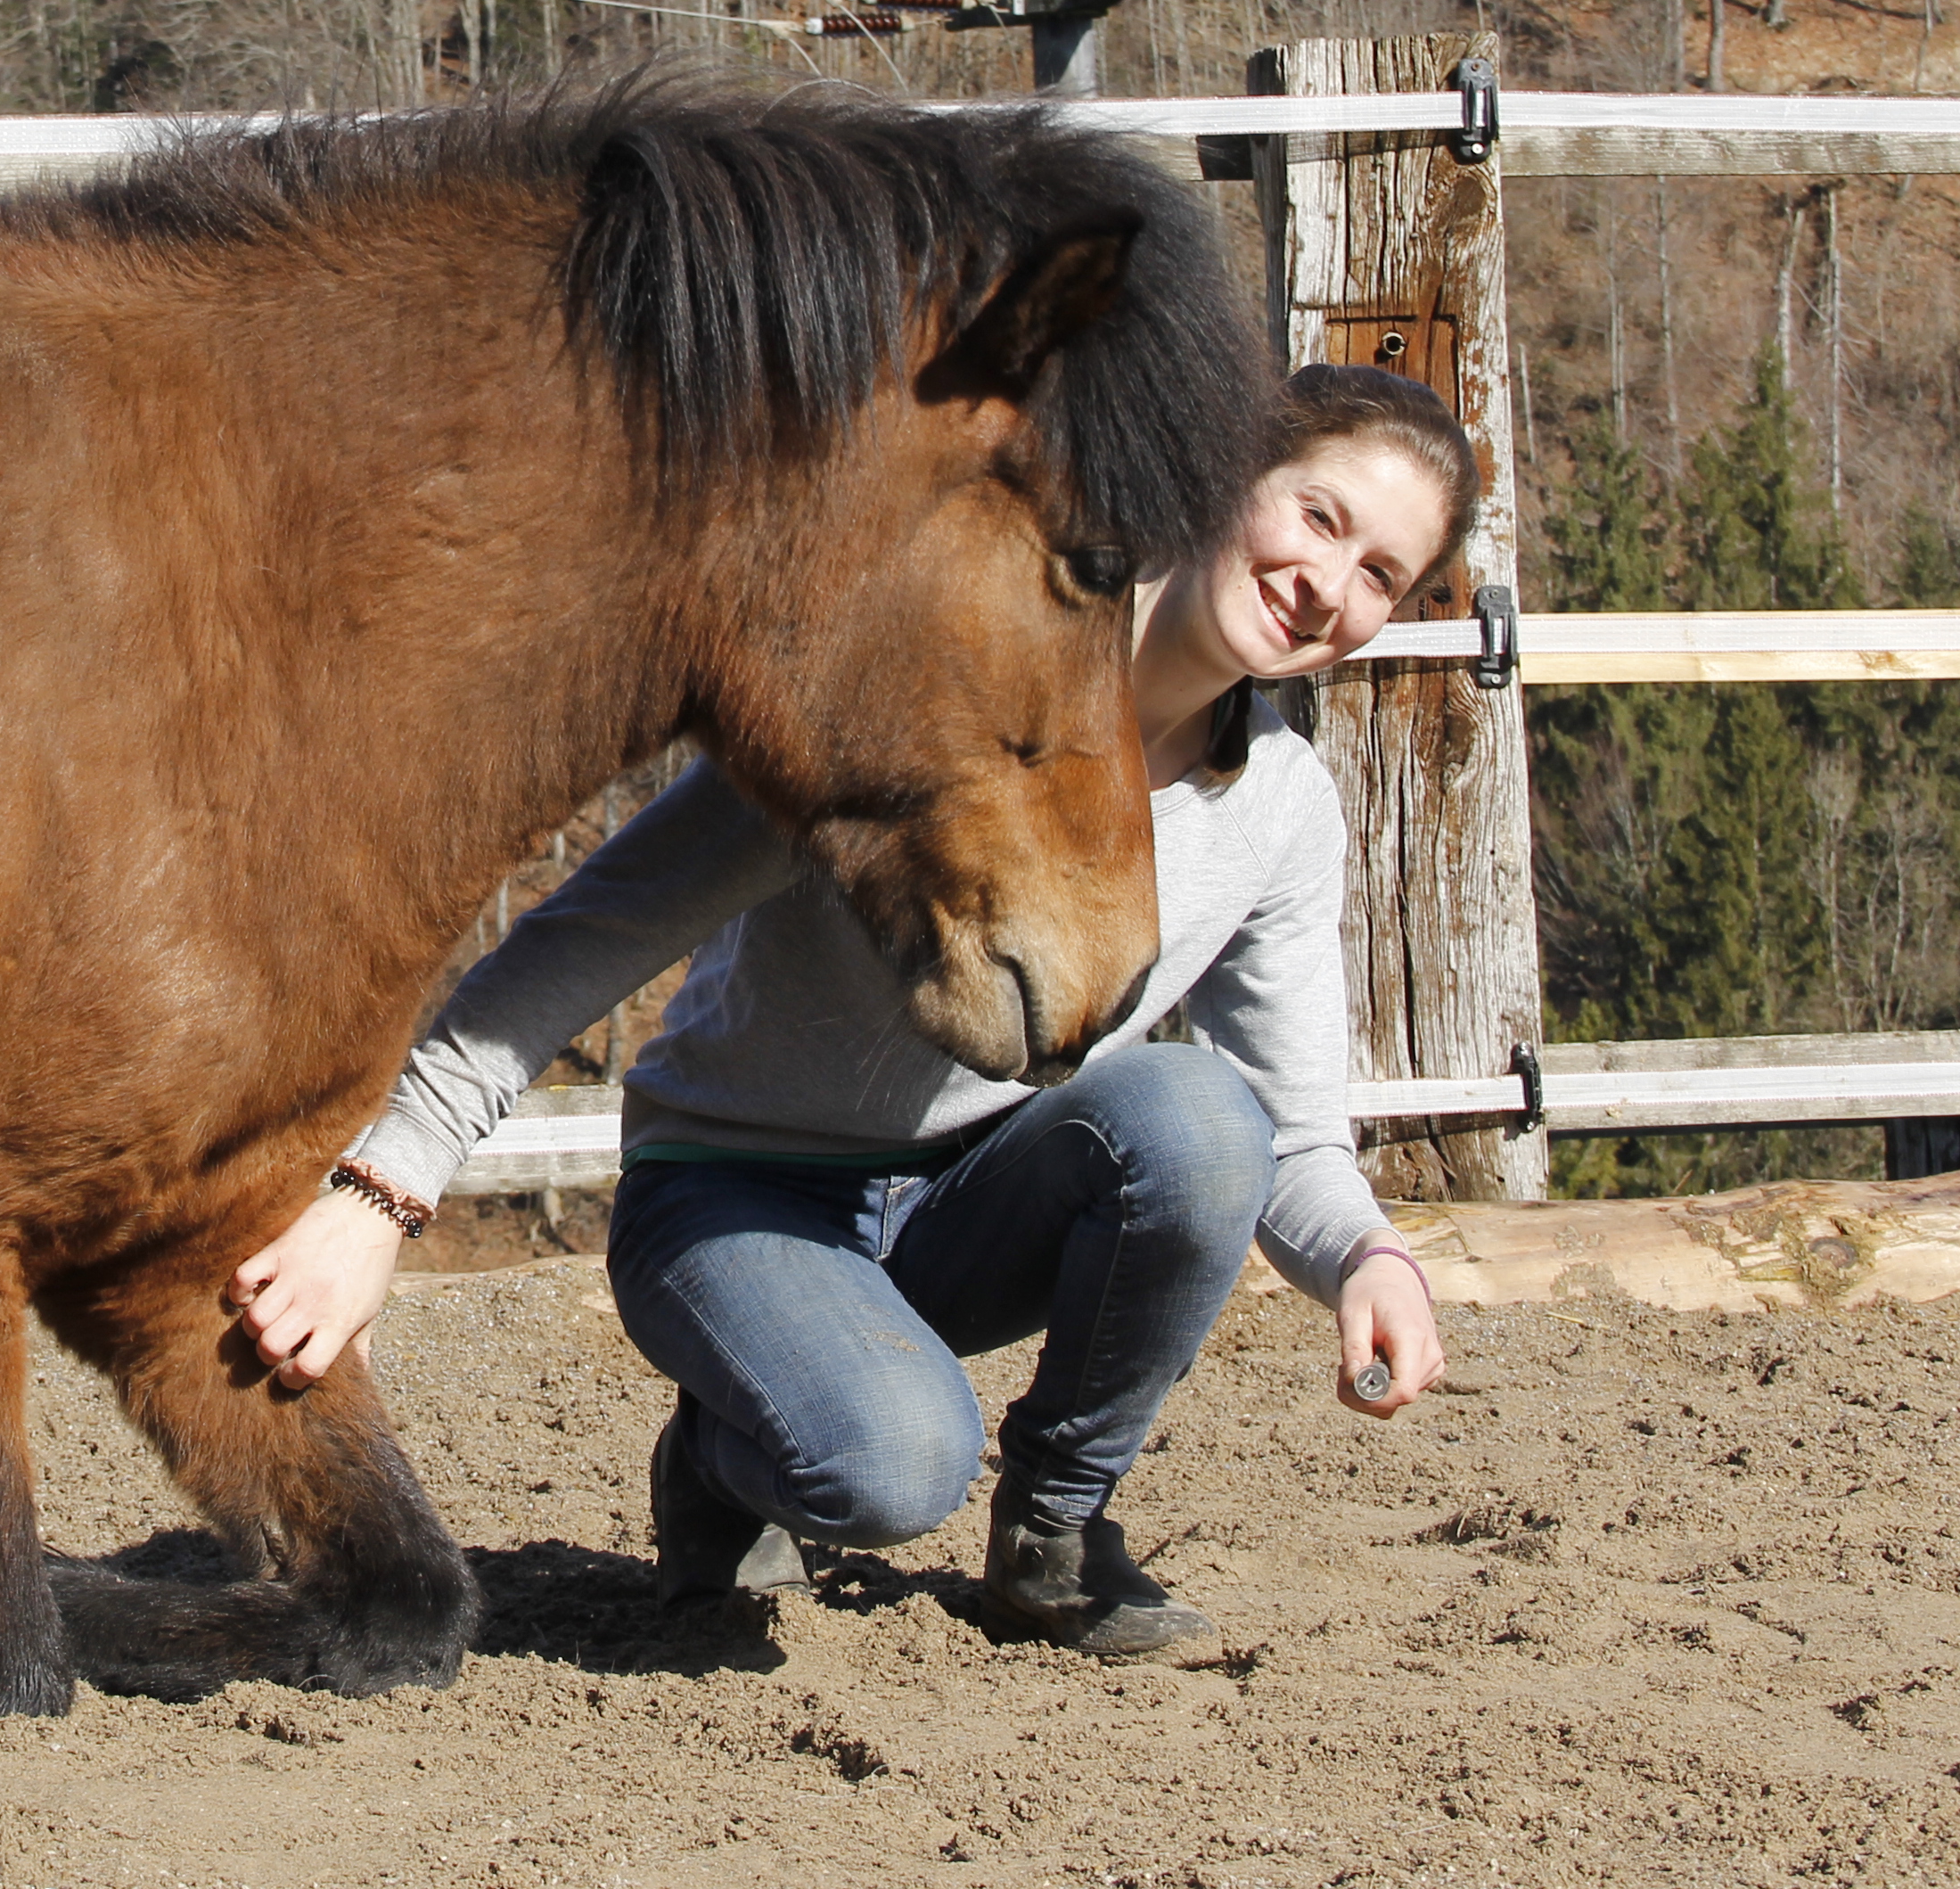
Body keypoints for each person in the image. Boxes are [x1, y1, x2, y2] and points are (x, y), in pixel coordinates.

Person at [228, 363, 1479, 1659]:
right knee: (884, 1473)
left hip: (969, 1202)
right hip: (739, 1191)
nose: (1328, 585)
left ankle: (1056, 1533)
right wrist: (378, 1197)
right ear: (1222, 473)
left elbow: (1291, 1133)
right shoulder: (927, 691)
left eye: (1382, 574)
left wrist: (1369, 1258)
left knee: (1204, 1118)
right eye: (1320, 519)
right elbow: (588, 935)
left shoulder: (1280, 810)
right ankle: (724, 1461)